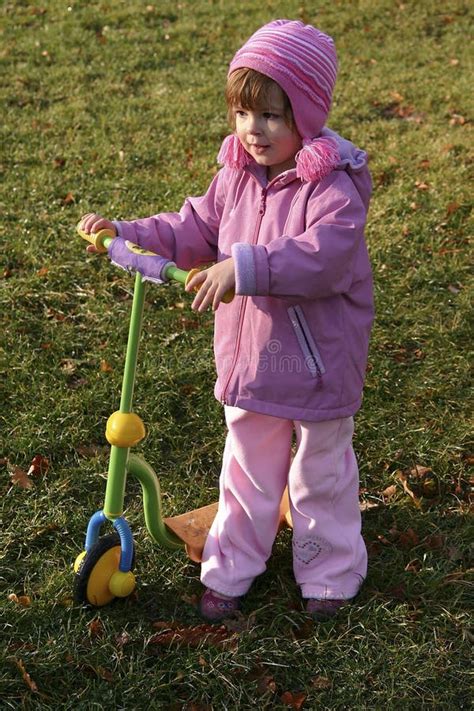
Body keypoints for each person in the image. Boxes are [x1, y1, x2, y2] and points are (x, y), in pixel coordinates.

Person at [80, 19, 374, 622]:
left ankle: (329, 574)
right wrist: (130, 233)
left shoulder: (333, 190)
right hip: (252, 361)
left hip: (318, 363)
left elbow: (326, 256)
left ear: (309, 116)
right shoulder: (236, 176)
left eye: (271, 116)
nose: (253, 130)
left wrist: (243, 269)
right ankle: (232, 568)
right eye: (244, 114)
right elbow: (192, 228)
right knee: (246, 469)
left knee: (321, 472)